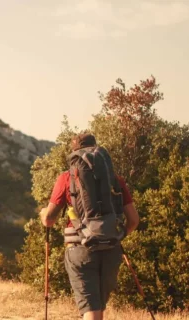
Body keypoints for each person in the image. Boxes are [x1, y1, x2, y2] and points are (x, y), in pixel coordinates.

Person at [39, 133, 140, 320]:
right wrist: (116, 235)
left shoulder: (66, 178)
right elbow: (134, 220)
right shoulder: (114, 179)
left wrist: (43, 213)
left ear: (75, 153)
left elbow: (49, 220)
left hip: (80, 248)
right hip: (111, 248)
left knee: (91, 310)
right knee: (98, 308)